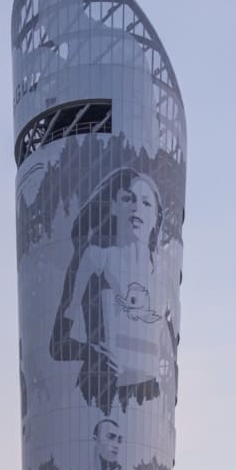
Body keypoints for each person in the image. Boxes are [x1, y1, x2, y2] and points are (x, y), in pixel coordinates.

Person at [50, 167, 176, 413]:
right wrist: (91, 351)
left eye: (146, 203)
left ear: (155, 219)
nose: (136, 207)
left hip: (147, 396)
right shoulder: (96, 259)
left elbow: (171, 352)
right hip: (101, 393)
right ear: (114, 207)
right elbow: (58, 343)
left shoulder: (163, 277)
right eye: (128, 198)